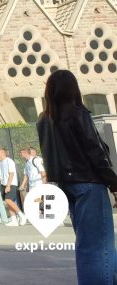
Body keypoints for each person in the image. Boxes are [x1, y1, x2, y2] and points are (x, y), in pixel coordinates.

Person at [37, 69, 117, 285]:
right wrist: (114, 183)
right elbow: (95, 151)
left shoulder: (44, 120)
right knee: (98, 246)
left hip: (67, 185)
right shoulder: (78, 114)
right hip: (89, 183)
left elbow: (50, 154)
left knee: (89, 244)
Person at [0, 147, 28, 226]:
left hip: (11, 184)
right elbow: (3, 174)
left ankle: (22, 215)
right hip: (3, 184)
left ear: (3, 153)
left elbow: (11, 173)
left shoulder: (9, 161)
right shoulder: (0, 162)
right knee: (8, 203)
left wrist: (8, 185)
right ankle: (14, 220)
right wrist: (0, 180)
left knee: (8, 200)